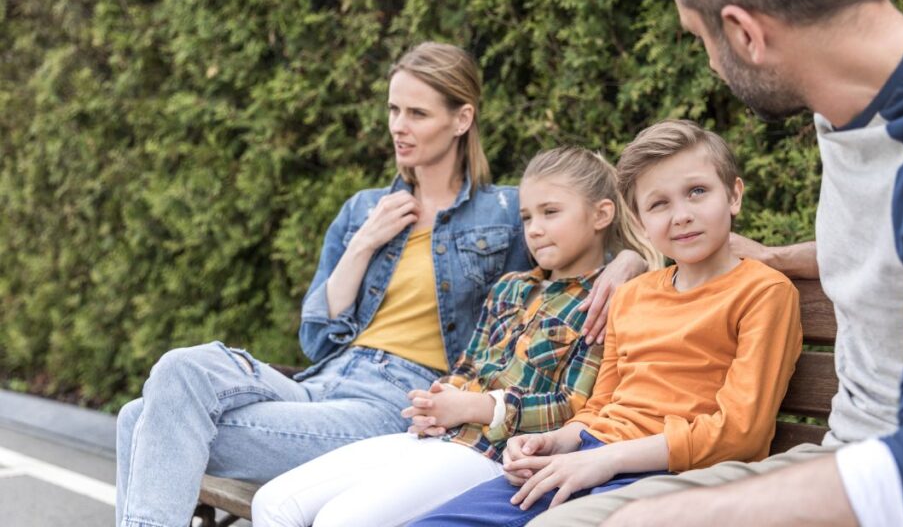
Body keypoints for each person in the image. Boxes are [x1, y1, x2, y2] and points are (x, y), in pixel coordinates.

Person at [531, 0, 903, 526]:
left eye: (701, 38)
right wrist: (776, 257)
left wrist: (679, 515)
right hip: (850, 451)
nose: (712, 64)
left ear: (744, 33)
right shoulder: (845, 103)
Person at [114, 43, 645, 527]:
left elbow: (585, 238)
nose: (399, 126)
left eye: (417, 113)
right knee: (176, 373)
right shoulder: (364, 210)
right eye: (394, 110)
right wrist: (363, 243)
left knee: (142, 421)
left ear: (462, 119)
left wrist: (630, 262)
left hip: (397, 400)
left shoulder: (507, 210)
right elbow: (317, 339)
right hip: (320, 383)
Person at [406, 119, 804, 526]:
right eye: (658, 204)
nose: (681, 215)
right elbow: (602, 404)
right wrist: (554, 440)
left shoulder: (762, 292)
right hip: (589, 455)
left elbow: (740, 433)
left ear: (733, 195)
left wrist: (604, 459)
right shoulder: (633, 294)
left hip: (676, 470)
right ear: (641, 219)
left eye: (697, 192)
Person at [249, 146, 661, 527]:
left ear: (601, 215)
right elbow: (468, 366)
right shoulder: (511, 287)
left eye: (551, 212)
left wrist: (478, 406)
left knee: (341, 520)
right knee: (273, 501)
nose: (534, 229)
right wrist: (437, 401)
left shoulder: (607, 299)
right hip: (437, 440)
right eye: (527, 217)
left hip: (493, 457)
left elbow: (577, 408)